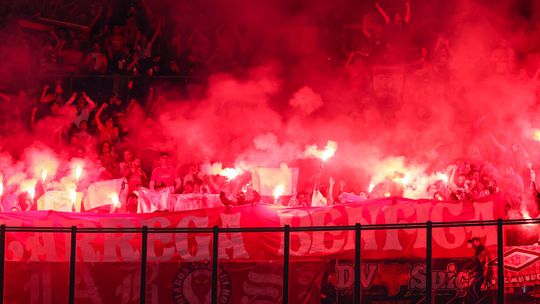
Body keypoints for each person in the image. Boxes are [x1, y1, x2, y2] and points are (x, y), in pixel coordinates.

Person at [467, 237, 491, 302]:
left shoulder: (480, 249)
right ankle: (479, 301)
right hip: (481, 272)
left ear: (478, 242)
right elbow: (479, 261)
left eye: (473, 242)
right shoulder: (480, 249)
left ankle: (479, 301)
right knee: (473, 288)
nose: (472, 244)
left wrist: (473, 270)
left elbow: (480, 262)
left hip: (482, 272)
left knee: (473, 288)